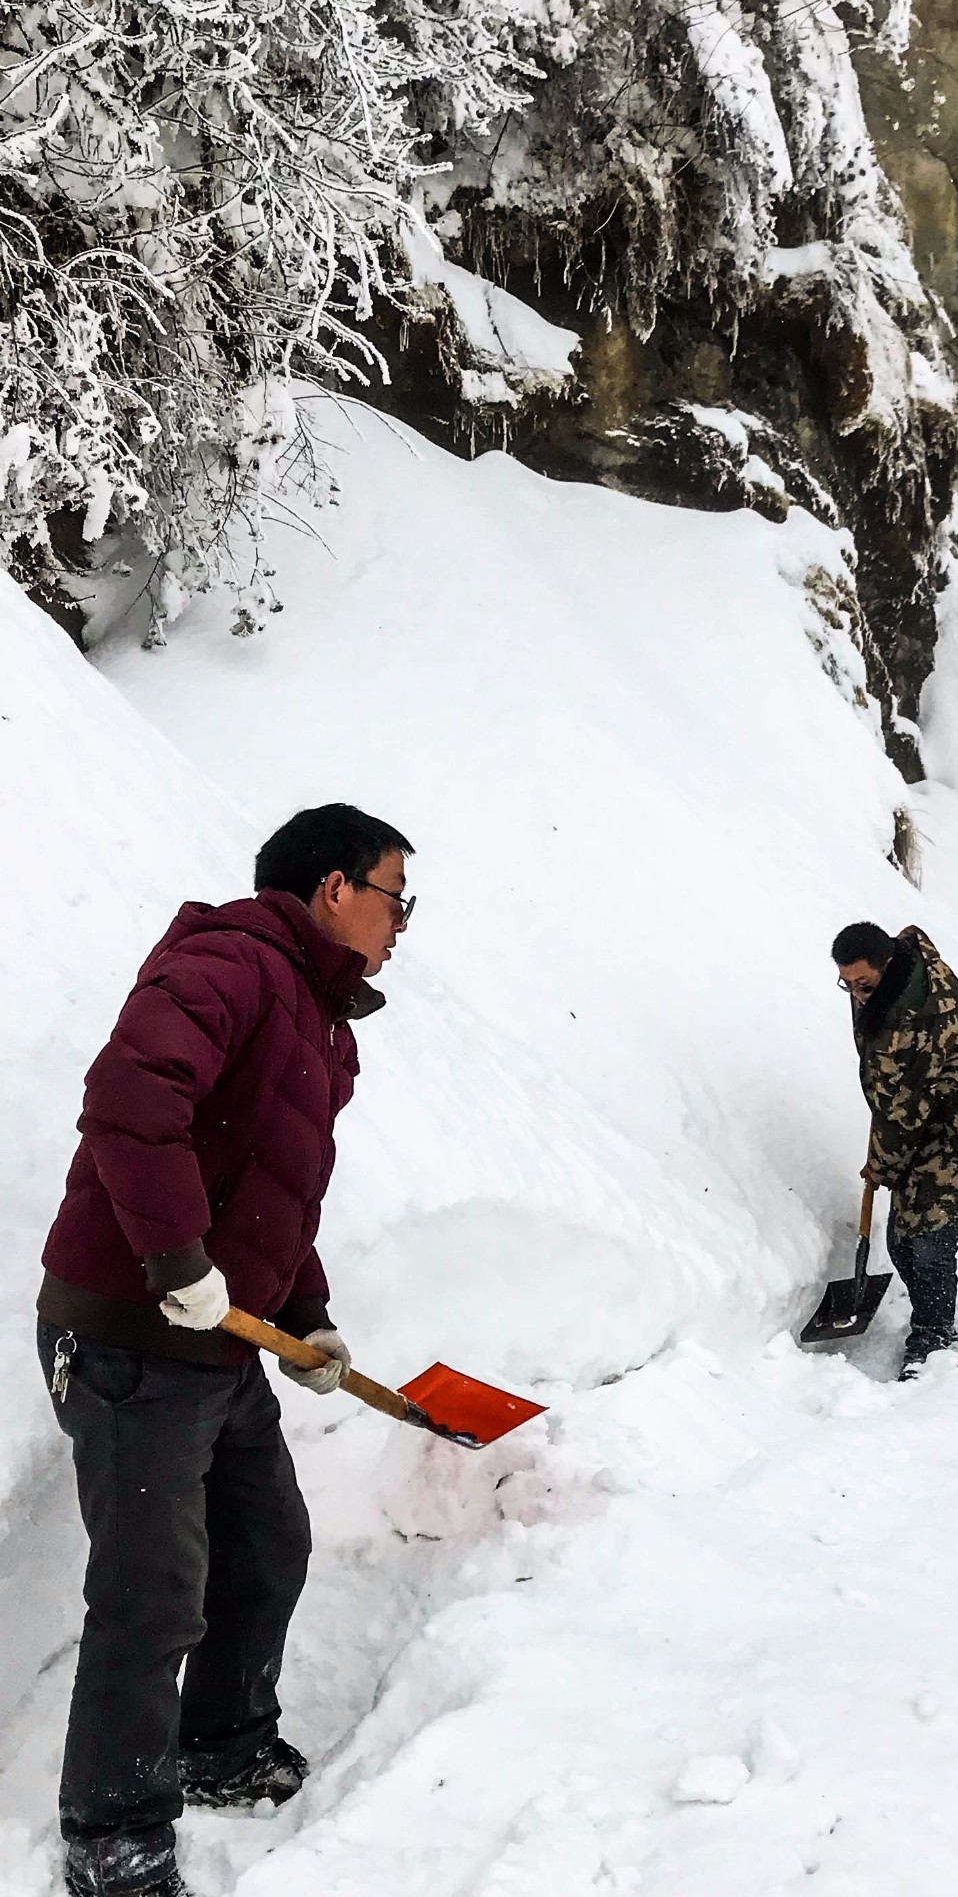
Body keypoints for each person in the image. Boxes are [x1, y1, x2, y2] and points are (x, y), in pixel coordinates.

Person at [36, 804, 414, 1897]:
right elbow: (126, 1100)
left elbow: (268, 1190)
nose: (401, 921)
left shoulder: (318, 1016)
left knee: (265, 1541)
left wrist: (306, 1313)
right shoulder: (231, 964)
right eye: (394, 894)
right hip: (125, 1330)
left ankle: (221, 1741)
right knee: (152, 1593)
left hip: (213, 1340)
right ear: (334, 888)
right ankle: (111, 1836)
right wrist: (173, 1258)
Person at [831, 921, 958, 1380]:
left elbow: (905, 1111)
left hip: (953, 1138)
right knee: (902, 1240)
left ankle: (934, 1336)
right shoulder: (894, 978)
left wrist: (881, 1165)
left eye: (863, 984)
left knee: (924, 1243)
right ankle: (931, 1317)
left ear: (887, 966)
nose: (856, 994)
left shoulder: (917, 1025)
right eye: (847, 984)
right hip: (917, 1121)